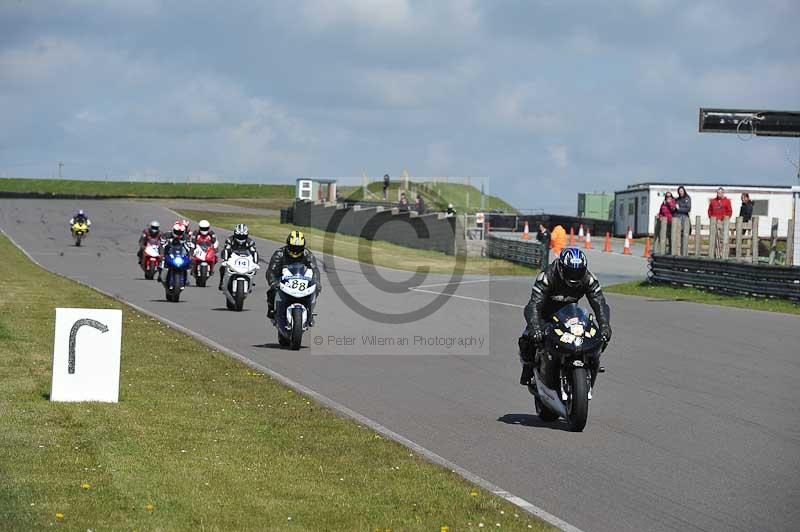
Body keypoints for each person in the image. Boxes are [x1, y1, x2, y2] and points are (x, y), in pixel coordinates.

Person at [518, 247, 612, 385]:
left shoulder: (589, 278)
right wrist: (535, 327)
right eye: (570, 272)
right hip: (546, 315)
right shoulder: (547, 277)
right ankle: (529, 369)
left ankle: (591, 364)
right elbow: (533, 305)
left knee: (599, 336)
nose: (574, 277)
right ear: (561, 268)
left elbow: (599, 303)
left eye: (578, 272)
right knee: (527, 340)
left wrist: (604, 325)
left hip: (570, 314)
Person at [266, 230, 322, 326]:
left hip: (302, 280)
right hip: (283, 281)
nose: (295, 251)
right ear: (288, 245)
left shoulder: (307, 254)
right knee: (272, 291)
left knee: (315, 289)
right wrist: (273, 282)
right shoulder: (279, 253)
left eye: (298, 248)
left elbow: (315, 269)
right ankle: (271, 311)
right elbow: (271, 270)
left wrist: (317, 282)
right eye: (293, 247)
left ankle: (310, 313)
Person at [218, 224, 259, 290]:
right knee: (222, 267)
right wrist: (225, 260)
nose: (241, 238)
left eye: (243, 236)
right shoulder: (229, 240)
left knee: (254, 269)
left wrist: (256, 263)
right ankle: (222, 282)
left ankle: (250, 281)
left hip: (245, 259)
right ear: (235, 234)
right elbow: (226, 250)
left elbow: (254, 252)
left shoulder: (250, 242)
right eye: (239, 236)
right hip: (232, 258)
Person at [708, 187, 732, 258]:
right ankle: (715, 253)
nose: (719, 194)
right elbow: (709, 210)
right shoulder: (713, 201)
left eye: (721, 193)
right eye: (718, 193)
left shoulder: (727, 201)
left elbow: (729, 211)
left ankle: (723, 254)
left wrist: (724, 219)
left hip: (723, 222)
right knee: (714, 238)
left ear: (723, 193)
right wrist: (712, 218)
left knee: (723, 238)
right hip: (714, 222)